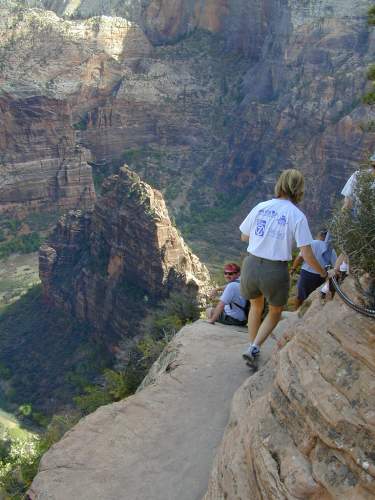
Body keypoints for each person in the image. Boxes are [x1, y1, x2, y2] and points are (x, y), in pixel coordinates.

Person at [239, 169, 330, 367]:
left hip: (251, 264)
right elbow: (306, 254)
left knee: (256, 306)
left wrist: (263, 238)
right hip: (275, 270)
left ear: (279, 184)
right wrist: (324, 273)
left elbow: (244, 236)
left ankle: (252, 346)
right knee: (275, 312)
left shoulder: (261, 206)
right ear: (299, 189)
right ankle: (254, 348)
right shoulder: (297, 216)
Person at [290, 229, 337, 308]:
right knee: (315, 297)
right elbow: (335, 264)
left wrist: (293, 269)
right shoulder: (330, 249)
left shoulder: (311, 243)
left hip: (306, 274)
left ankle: (296, 313)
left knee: (300, 296)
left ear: (320, 235)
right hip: (321, 276)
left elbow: (300, 258)